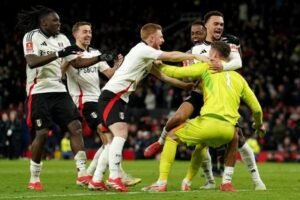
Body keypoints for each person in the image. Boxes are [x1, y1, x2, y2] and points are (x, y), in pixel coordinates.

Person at [144, 10, 266, 191]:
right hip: (200, 93)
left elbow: (238, 62)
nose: (219, 27)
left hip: (220, 94)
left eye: (221, 24)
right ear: (205, 26)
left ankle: (256, 180)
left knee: (237, 139)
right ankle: (161, 143)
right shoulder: (195, 50)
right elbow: (185, 75)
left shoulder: (228, 42)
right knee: (179, 117)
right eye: (216, 24)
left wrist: (220, 65)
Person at [97, 22, 205, 192]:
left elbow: (163, 76)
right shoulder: (142, 49)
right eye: (161, 36)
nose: (163, 40)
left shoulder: (146, 58)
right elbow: (170, 56)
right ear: (152, 38)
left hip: (115, 97)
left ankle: (97, 179)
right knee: (121, 133)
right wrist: (196, 57)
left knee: (111, 140)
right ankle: (114, 177)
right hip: (112, 96)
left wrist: (184, 86)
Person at [16, 5, 111, 190]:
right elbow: (32, 61)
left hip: (59, 90)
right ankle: (34, 178)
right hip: (39, 91)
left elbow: (76, 62)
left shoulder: (63, 39)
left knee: (75, 127)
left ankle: (82, 173)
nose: (59, 24)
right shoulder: (31, 36)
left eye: (59, 21)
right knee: (42, 133)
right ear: (44, 22)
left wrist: (98, 59)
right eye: (55, 21)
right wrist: (59, 54)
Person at [63, 21, 141, 191]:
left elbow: (109, 75)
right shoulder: (70, 53)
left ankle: (91, 175)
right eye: (85, 32)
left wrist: (117, 66)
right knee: (108, 137)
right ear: (75, 34)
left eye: (90, 32)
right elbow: (64, 71)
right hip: (84, 102)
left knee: (109, 138)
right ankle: (116, 175)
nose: (89, 35)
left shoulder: (95, 52)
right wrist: (64, 61)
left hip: (99, 100)